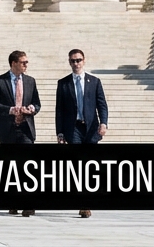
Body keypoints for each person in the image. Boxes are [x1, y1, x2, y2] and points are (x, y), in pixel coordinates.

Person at [55, 48, 108, 218]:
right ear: (69, 62)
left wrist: (104, 123)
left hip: (91, 129)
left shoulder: (94, 81)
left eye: (78, 60)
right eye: (72, 61)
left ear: (84, 61)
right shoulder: (63, 83)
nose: (76, 63)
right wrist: (60, 132)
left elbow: (102, 105)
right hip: (74, 129)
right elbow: (59, 110)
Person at [0, 50, 40, 217]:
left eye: (26, 62)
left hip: (25, 129)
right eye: (23, 62)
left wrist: (32, 109)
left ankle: (28, 204)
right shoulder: (0, 81)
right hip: (7, 129)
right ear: (13, 63)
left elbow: (37, 103)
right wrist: (10, 110)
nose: (26, 65)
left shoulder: (30, 81)